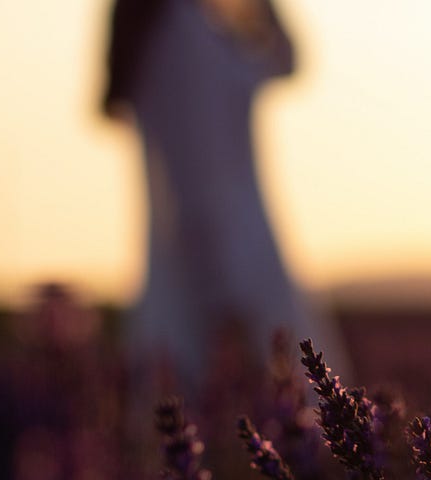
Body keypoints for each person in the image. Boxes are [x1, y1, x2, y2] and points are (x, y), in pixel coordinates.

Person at [103, 0, 343, 389]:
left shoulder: (187, 32)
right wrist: (222, 286)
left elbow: (285, 62)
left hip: (213, 251)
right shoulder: (184, 37)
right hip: (229, 255)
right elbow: (196, 182)